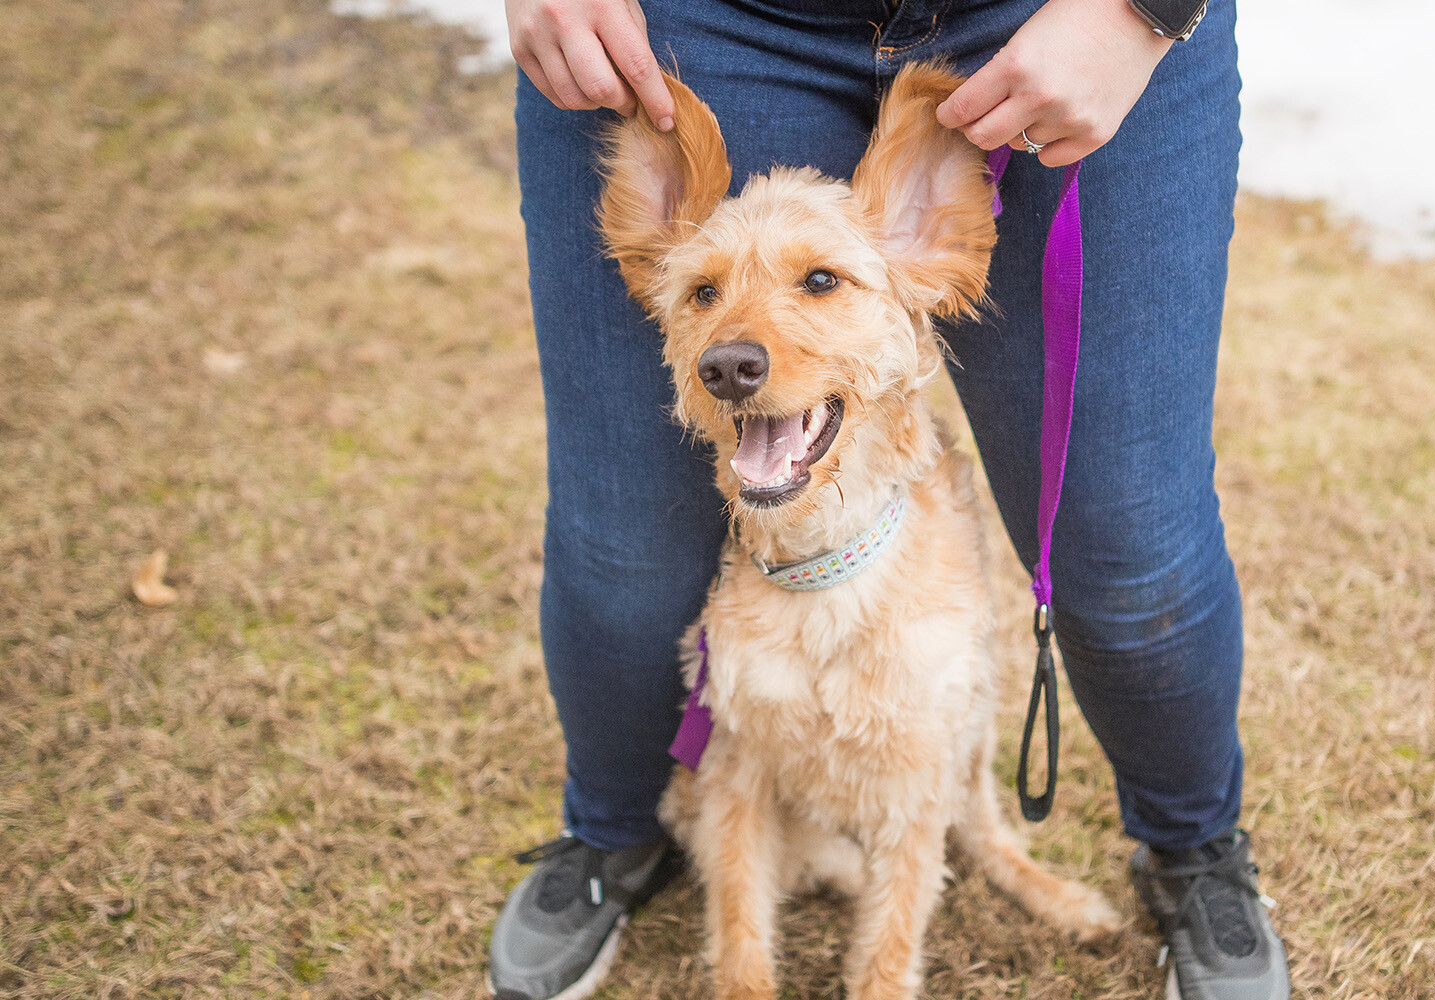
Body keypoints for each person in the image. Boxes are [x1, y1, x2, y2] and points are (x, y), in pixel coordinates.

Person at [486, 0, 1289, 998]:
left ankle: (1193, 849)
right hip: (700, 20)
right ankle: (612, 834)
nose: (741, 342)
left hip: (1075, 17)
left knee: (1130, 553)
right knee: (627, 555)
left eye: (819, 281)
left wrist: (1142, 10)